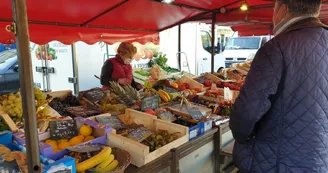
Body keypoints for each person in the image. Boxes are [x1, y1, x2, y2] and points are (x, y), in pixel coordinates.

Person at [229, 0, 328, 172]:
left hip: (277, 162)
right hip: (320, 159)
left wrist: (241, 135)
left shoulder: (276, 48)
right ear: (317, 9)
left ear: (282, 10)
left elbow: (246, 114)